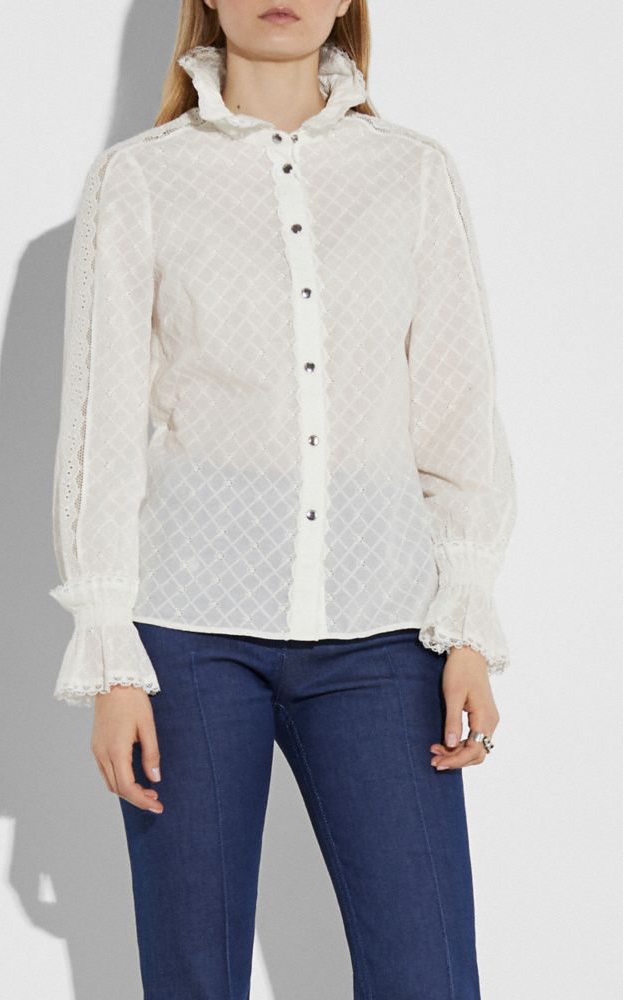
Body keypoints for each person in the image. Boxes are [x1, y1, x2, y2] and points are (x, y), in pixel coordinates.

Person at [47, 1, 517, 996]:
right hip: (185, 633)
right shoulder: (141, 178)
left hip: (383, 629)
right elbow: (101, 426)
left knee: (428, 973)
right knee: (193, 975)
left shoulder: (412, 173)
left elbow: (456, 411)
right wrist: (110, 655)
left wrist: (467, 622)